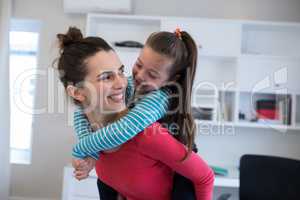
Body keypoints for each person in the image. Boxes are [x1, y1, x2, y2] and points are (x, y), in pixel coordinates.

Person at [55, 27, 214, 200]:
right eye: (106, 77)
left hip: (179, 155)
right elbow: (80, 112)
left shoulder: (154, 109)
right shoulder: (129, 88)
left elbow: (124, 129)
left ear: (171, 80)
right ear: (77, 92)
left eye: (120, 71)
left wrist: (81, 150)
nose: (124, 82)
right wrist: (91, 152)